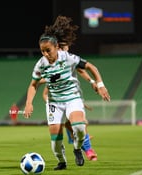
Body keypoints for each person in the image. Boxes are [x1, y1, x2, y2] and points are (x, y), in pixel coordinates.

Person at [23, 16, 110, 170]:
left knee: (79, 127)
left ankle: (78, 148)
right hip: (54, 102)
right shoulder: (40, 65)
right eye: (42, 51)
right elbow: (33, 85)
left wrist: (100, 84)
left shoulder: (68, 58)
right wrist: (29, 103)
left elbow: (90, 67)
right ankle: (62, 162)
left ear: (57, 48)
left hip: (72, 98)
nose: (45, 54)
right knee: (55, 140)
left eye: (48, 50)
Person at [40, 15, 100, 162]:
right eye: (65, 45)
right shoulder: (52, 58)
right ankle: (85, 146)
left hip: (70, 93)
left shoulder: (68, 58)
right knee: (76, 123)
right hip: (55, 94)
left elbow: (81, 69)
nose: (68, 47)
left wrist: (92, 81)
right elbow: (42, 79)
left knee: (79, 122)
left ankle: (77, 140)